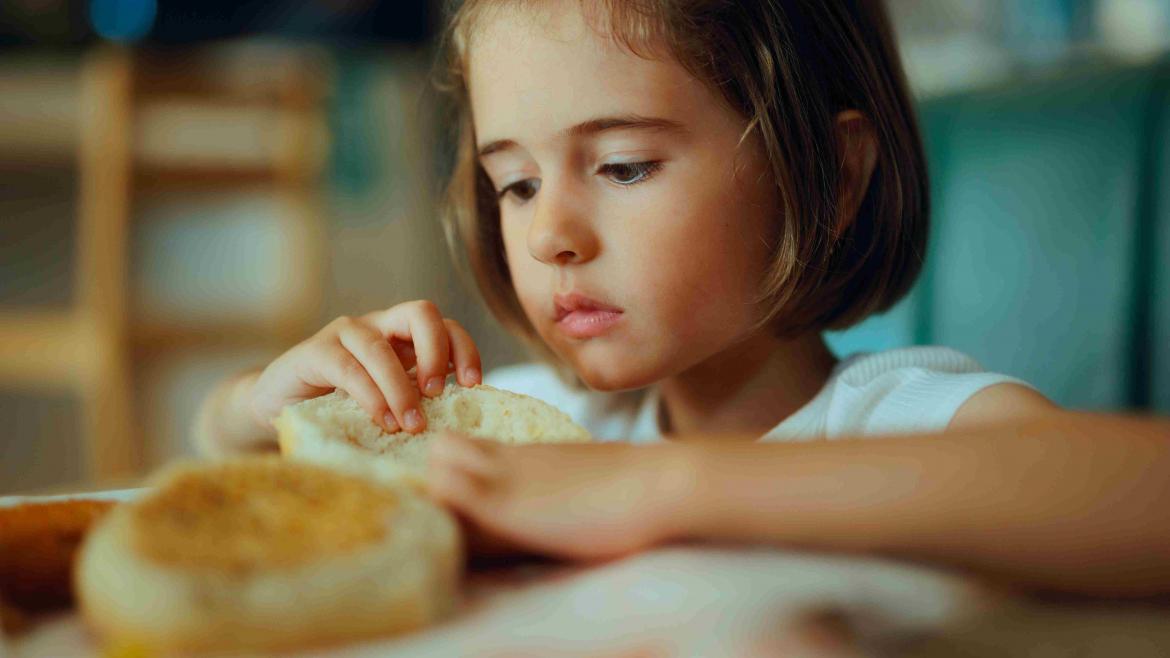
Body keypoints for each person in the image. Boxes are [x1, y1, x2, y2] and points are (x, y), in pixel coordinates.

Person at [194, 0, 1170, 597]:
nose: (547, 235)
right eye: (517, 183)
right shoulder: (548, 424)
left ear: (828, 179)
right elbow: (219, 449)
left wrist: (661, 488)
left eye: (621, 167)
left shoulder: (896, 415)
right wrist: (256, 406)